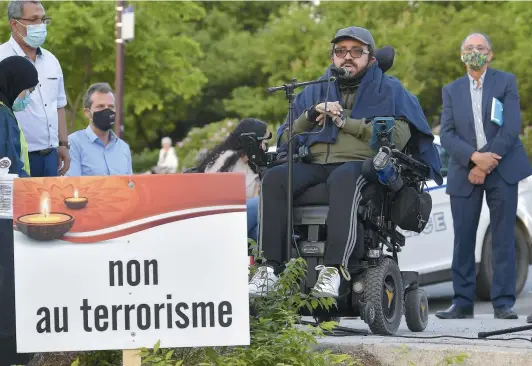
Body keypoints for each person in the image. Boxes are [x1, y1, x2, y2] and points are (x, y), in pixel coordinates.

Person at [249, 26, 443, 297]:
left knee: (344, 177)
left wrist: (345, 122)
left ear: (371, 59)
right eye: (340, 51)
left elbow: (397, 138)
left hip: (361, 164)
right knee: (275, 178)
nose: (347, 57)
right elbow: (285, 137)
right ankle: (269, 269)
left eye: (356, 51)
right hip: (316, 164)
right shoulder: (315, 91)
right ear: (332, 57)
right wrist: (311, 113)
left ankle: (334, 269)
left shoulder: (390, 90)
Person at [437, 33, 532, 320]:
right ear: (461, 55)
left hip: (502, 168)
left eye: (480, 48)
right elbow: (447, 133)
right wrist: (474, 159)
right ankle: (462, 302)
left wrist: (486, 163)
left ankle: (503, 302)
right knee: (463, 238)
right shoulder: (451, 90)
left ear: (489, 55)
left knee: (502, 237)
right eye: (469, 48)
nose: (474, 52)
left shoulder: (505, 82)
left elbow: (511, 127)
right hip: (465, 170)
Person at [0, 0, 70, 177]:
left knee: (50, 204)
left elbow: (59, 105)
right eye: (34, 19)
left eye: (43, 19)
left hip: (51, 155)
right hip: (15, 156)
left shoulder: (52, 61)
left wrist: (63, 144)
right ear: (14, 24)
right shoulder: (2, 57)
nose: (40, 25)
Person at [0, 55, 38, 366]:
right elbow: (9, 163)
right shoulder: (2, 116)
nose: (26, 97)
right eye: (26, 90)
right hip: (7, 212)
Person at [198, 118, 271, 242]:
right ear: (251, 140)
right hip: (222, 217)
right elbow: (213, 194)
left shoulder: (250, 164)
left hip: (239, 217)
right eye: (263, 142)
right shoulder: (227, 158)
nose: (265, 147)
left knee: (261, 231)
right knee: (267, 201)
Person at [66, 83, 133, 177]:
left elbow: (130, 186)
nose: (107, 111)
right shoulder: (73, 144)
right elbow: (72, 186)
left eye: (111, 107)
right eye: (100, 106)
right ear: (87, 113)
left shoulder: (123, 148)